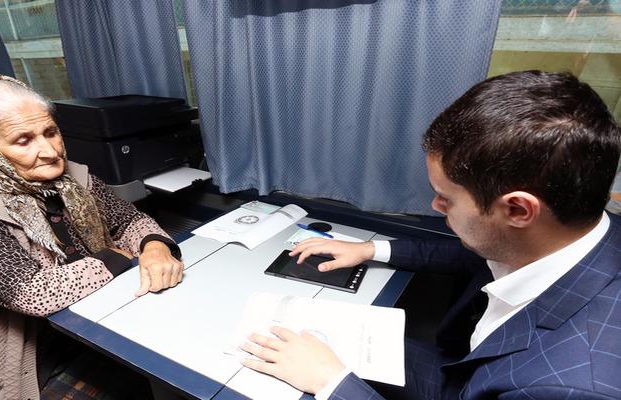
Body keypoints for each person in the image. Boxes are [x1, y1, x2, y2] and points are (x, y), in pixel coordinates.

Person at [240, 71, 621, 399]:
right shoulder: (571, 235)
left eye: (446, 198)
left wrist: (333, 383)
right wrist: (370, 249)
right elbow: (473, 254)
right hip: (457, 372)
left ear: (518, 210)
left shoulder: (569, 385)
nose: (436, 206)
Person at [0, 74, 184, 400]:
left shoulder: (70, 176)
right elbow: (33, 293)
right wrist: (115, 258)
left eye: (50, 132)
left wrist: (154, 245)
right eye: (23, 141)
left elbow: (128, 220)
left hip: (88, 311)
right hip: (25, 354)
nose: (49, 151)